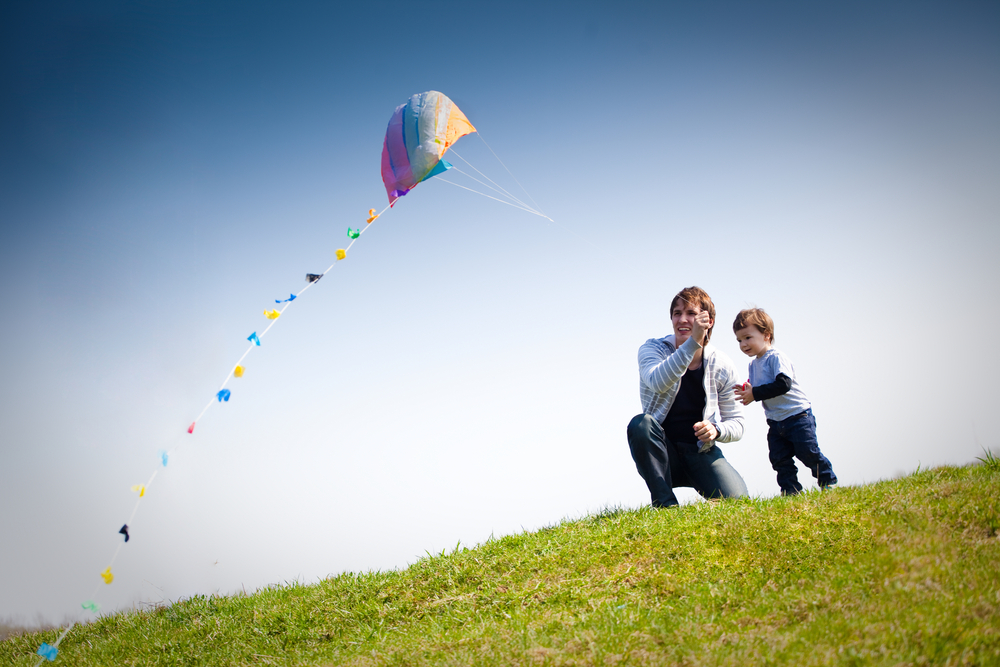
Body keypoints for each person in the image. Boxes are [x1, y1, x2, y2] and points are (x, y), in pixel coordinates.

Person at [627, 286, 748, 508]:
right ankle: (665, 505)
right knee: (640, 424)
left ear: (707, 320)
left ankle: (702, 480)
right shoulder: (652, 349)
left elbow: (737, 423)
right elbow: (658, 381)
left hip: (700, 451)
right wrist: (693, 342)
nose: (682, 319)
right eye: (676, 313)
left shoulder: (721, 364)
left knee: (737, 501)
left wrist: (717, 430)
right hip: (664, 451)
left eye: (691, 313)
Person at [732, 307, 837, 495]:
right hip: (775, 421)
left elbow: (783, 384)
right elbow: (758, 387)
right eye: (739, 340)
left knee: (808, 452)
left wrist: (755, 393)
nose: (743, 344)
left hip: (798, 416)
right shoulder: (753, 364)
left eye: (748, 337)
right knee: (779, 458)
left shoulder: (776, 357)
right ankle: (791, 491)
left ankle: (827, 479)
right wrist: (748, 391)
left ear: (766, 335)